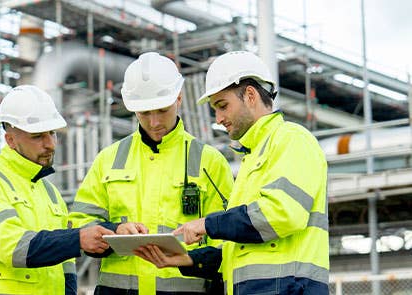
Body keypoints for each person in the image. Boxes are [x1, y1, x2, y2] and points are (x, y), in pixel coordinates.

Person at [134, 51, 329, 294]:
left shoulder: (291, 139)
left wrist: (207, 224)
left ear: (250, 95)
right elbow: (239, 249)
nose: (219, 118)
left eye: (223, 106)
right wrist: (189, 259)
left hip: (287, 288)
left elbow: (282, 214)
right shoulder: (253, 156)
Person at [69, 52, 234, 294]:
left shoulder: (210, 162)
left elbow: (228, 240)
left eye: (161, 110)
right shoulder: (109, 159)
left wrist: (194, 258)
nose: (154, 122)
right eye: (144, 113)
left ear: (178, 98)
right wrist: (115, 231)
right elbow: (80, 224)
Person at [0, 85, 116, 295]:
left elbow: (66, 268)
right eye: (38, 136)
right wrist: (78, 238)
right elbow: (14, 247)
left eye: (52, 133)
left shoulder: (51, 194)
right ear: (11, 140)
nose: (50, 144)